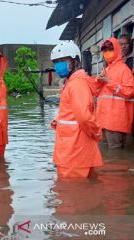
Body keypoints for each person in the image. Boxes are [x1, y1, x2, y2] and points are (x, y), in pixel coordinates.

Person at [50, 41, 103, 178]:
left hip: (73, 153)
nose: (58, 65)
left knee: (70, 194)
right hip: (74, 149)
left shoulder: (77, 84)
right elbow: (74, 111)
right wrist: (59, 119)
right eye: (56, 62)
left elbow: (84, 117)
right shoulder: (72, 83)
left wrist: (97, 133)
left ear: (75, 61)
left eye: (63, 60)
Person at [96, 38, 134, 149]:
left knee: (115, 154)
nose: (107, 53)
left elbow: (130, 91)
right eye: (105, 50)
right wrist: (97, 82)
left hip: (116, 122)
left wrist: (109, 82)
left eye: (110, 49)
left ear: (116, 50)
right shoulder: (106, 70)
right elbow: (99, 93)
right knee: (104, 154)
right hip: (102, 121)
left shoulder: (124, 70)